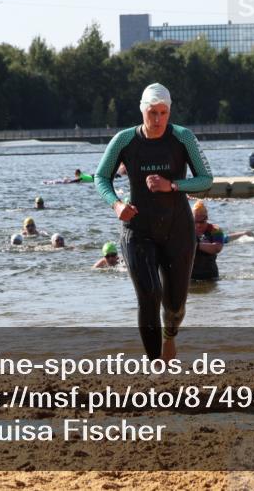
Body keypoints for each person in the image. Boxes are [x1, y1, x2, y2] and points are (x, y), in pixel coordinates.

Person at [95, 83, 213, 361]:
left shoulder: (183, 137)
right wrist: (116, 204)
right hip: (138, 230)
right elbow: (101, 177)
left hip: (177, 229)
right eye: (152, 113)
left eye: (163, 113)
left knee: (175, 306)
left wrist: (172, 185)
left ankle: (169, 338)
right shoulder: (124, 140)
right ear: (142, 111)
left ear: (169, 111)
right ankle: (155, 366)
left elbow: (206, 180)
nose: (158, 120)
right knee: (149, 296)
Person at [191, 200, 224, 281]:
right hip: (191, 277)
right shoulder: (186, 230)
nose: (198, 225)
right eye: (196, 222)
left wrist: (196, 245)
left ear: (207, 218)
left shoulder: (216, 230)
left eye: (202, 222)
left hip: (211, 277)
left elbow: (217, 248)